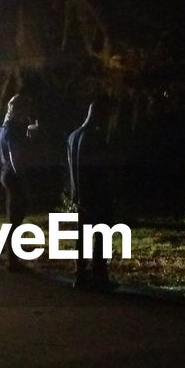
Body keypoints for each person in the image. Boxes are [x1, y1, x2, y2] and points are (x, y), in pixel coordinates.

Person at [67, 98, 116, 291]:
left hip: (79, 196)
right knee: (101, 234)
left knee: (82, 235)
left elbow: (72, 169)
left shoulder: (73, 136)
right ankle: (100, 274)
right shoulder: (95, 138)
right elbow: (98, 169)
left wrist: (75, 195)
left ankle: (80, 274)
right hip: (96, 195)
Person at [0, 93, 37, 271]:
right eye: (26, 108)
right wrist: (22, 180)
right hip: (14, 176)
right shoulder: (12, 130)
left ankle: (12, 258)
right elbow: (15, 158)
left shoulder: (8, 128)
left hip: (8, 173)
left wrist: (29, 134)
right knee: (15, 218)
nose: (29, 112)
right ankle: (12, 261)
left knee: (15, 217)